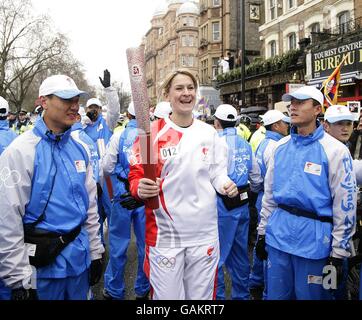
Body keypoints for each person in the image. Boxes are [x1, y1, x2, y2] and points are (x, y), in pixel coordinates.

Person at [128, 69, 238, 300]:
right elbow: (136, 175)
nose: (186, 93)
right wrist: (140, 188)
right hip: (165, 235)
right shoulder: (151, 135)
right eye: (179, 88)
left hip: (204, 233)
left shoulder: (209, 133)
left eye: (190, 88)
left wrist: (226, 184)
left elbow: (217, 173)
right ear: (167, 94)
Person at [0, 74, 105, 300]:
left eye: (76, 100)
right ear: (44, 102)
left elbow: (90, 206)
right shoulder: (21, 150)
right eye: (66, 99)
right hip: (41, 268)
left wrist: (96, 252)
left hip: (78, 262)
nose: (74, 106)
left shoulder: (80, 149)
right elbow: (7, 217)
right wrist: (17, 278)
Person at [255, 86, 357, 300]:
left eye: (301, 102)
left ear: (317, 109)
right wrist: (262, 233)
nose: (293, 107)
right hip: (278, 239)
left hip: (315, 244)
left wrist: (338, 253)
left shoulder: (336, 151)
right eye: (291, 102)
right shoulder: (279, 147)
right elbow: (269, 195)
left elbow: (345, 204)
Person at [213, 104, 263, 300]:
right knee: (240, 254)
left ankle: (215, 298)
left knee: (216, 255)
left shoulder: (213, 142)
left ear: (216, 122)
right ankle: (241, 296)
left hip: (221, 206)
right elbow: (257, 178)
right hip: (242, 204)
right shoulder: (245, 144)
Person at [101, 102, 150, 300]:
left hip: (121, 194)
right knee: (145, 246)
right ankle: (143, 288)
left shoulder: (119, 135)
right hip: (144, 194)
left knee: (118, 245)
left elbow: (106, 167)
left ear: (128, 116)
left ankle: (114, 289)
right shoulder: (150, 136)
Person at [249, 109, 290, 299]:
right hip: (271, 201)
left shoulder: (263, 142)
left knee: (261, 240)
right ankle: (265, 284)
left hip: (262, 198)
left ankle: (256, 280)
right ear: (275, 125)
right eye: (284, 122)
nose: (287, 125)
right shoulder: (276, 146)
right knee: (268, 244)